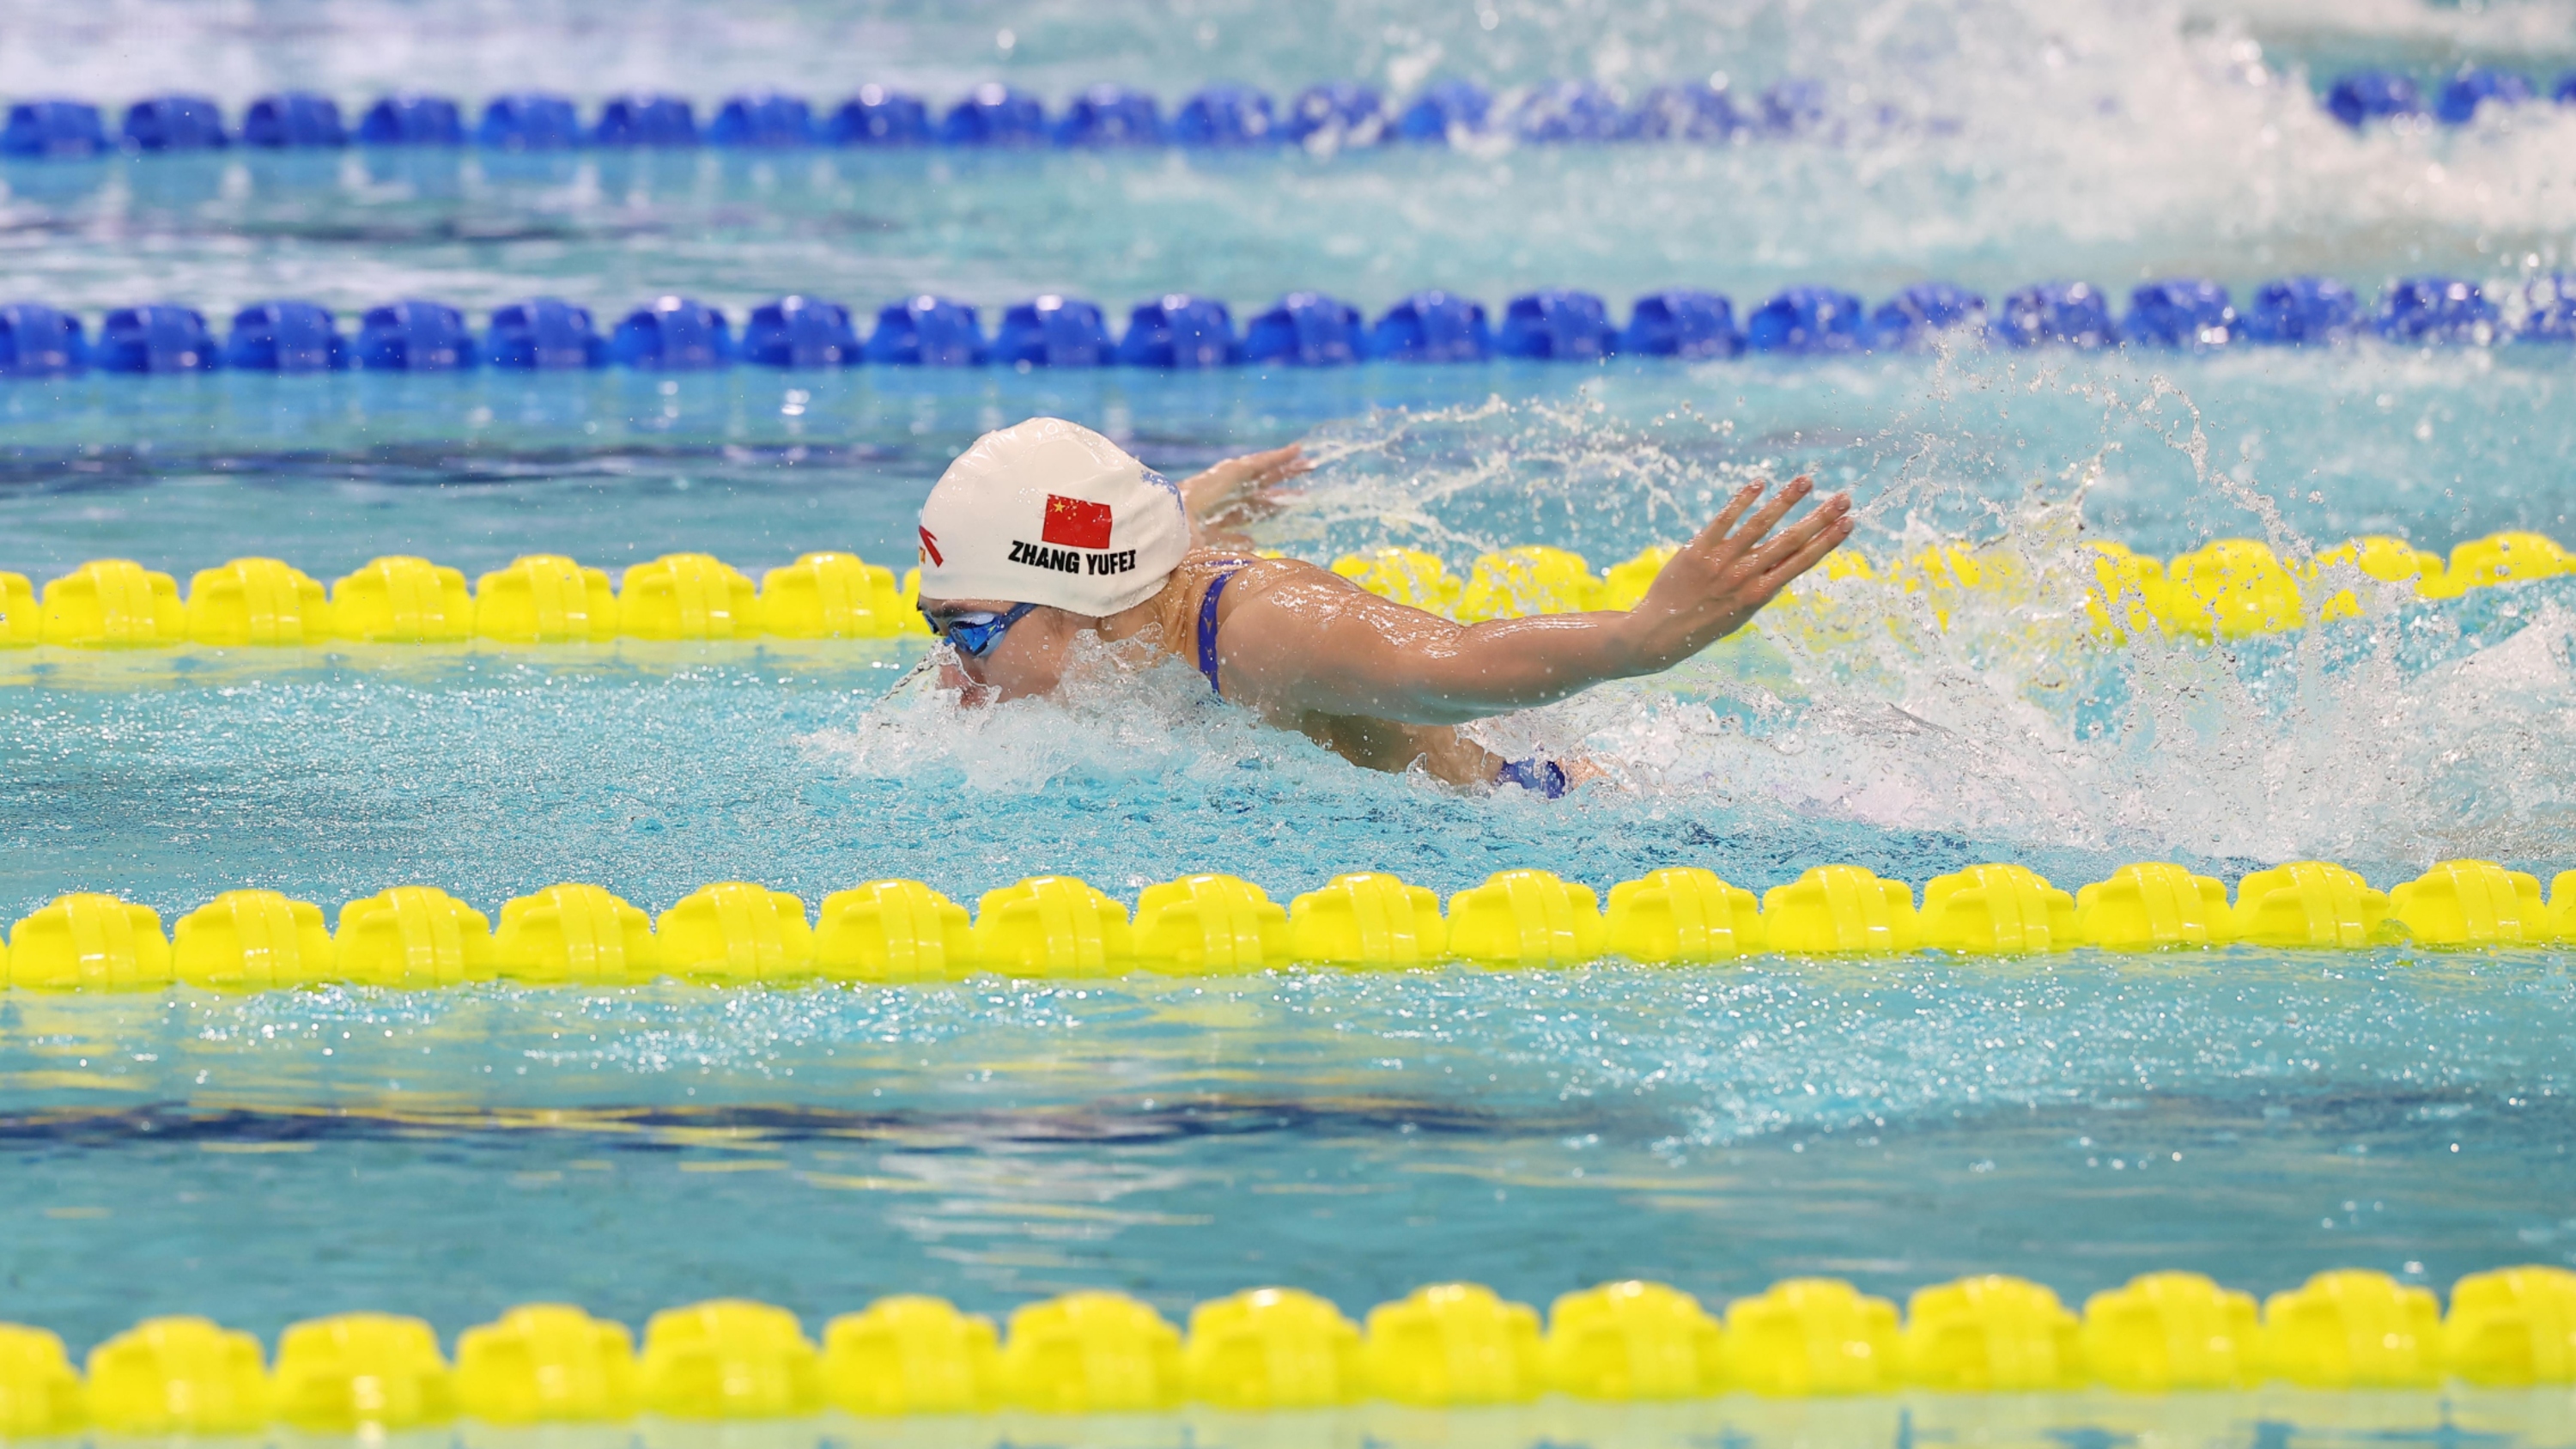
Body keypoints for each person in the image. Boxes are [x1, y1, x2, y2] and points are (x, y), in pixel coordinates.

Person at [911, 416, 1854, 792]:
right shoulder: (1099, 610)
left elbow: (1458, 662)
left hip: (1530, 811)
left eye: (971, 631)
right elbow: (1132, 555)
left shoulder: (1258, 632)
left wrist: (1642, 638)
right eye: (943, 627)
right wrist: (1194, 504)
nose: (953, 665)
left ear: (1078, 597)